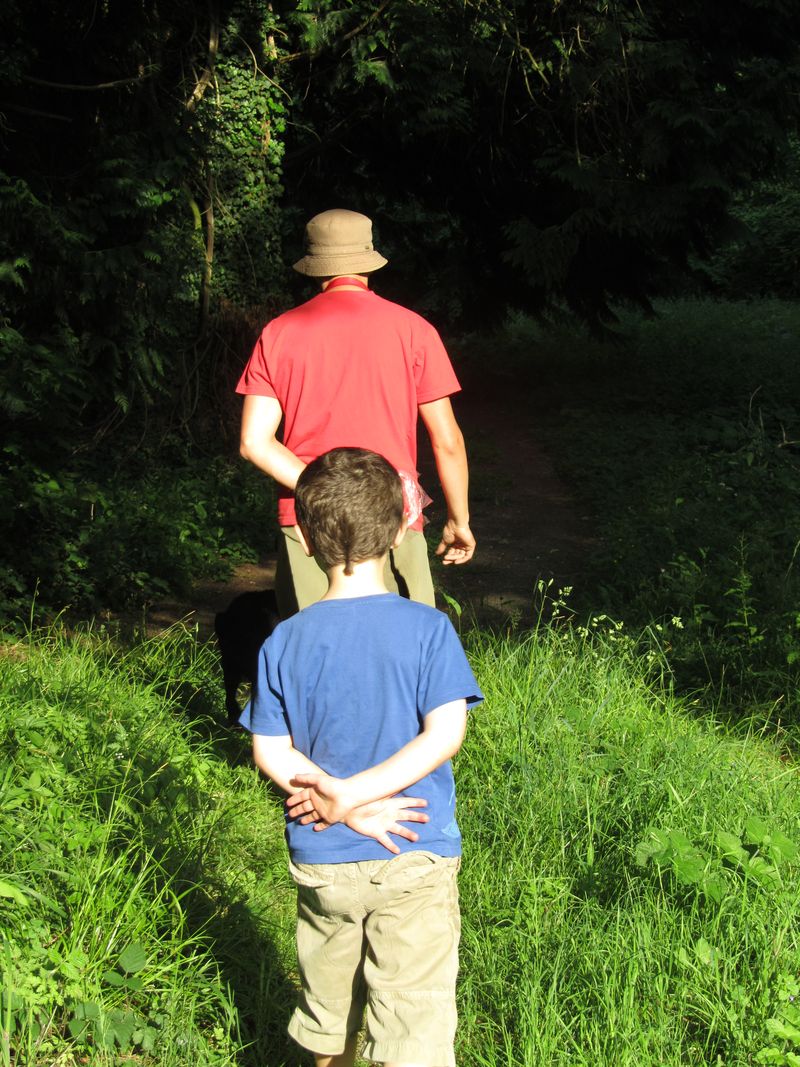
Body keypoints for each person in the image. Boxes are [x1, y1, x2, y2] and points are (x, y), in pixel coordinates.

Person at [239, 447, 484, 1067]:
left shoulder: (284, 638)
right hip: (413, 849)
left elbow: (269, 747)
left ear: (302, 535)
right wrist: (359, 798)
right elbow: (444, 735)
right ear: (405, 527)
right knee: (412, 1024)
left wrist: (337, 799)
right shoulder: (428, 629)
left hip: (322, 855)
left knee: (329, 1017)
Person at [237, 207, 476, 616]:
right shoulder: (413, 329)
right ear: (368, 259)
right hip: (392, 517)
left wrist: (327, 489)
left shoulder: (279, 333)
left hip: (310, 516)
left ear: (315, 266)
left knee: (313, 655)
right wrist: (459, 520)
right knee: (406, 653)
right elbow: (447, 440)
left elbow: (254, 442)